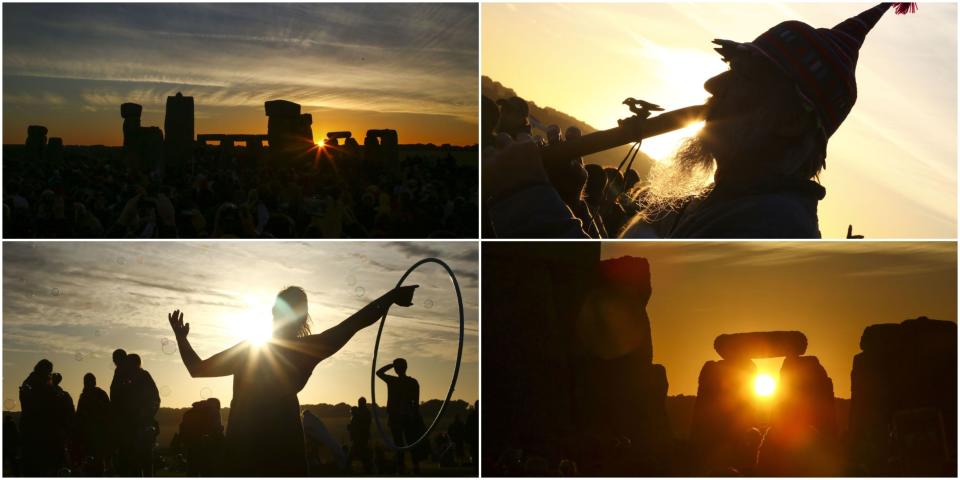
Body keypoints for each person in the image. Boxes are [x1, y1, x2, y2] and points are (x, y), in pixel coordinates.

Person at [485, 3, 916, 239]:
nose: (712, 83)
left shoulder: (773, 227)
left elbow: (605, 316)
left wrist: (523, 194)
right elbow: (613, 284)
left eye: (742, 75)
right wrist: (567, 199)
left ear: (788, 122)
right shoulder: (725, 200)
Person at [168, 283, 418, 476]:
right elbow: (353, 324)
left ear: (275, 312)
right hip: (284, 450)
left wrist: (181, 338)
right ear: (302, 318)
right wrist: (392, 297)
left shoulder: (250, 350)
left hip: (244, 449)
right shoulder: (308, 349)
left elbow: (197, 369)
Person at [376, 358, 426, 474]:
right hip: (405, 416)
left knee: (402, 443)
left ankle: (404, 466)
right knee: (409, 442)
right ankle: (412, 466)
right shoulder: (412, 382)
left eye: (396, 367)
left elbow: (378, 373)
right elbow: (416, 404)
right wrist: (415, 415)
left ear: (397, 369)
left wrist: (391, 365)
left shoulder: (393, 381)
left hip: (401, 416)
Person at [76, 373, 111, 476]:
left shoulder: (84, 396)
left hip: (90, 435)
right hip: (97, 434)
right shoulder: (101, 394)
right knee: (98, 462)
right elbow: (109, 412)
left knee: (91, 462)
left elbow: (79, 416)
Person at [347, 397, 372, 473]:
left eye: (360, 403)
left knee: (356, 453)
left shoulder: (362, 413)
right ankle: (367, 469)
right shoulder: (365, 412)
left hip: (360, 437)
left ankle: (347, 467)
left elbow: (359, 425)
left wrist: (351, 427)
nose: (359, 404)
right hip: (362, 437)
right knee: (363, 453)